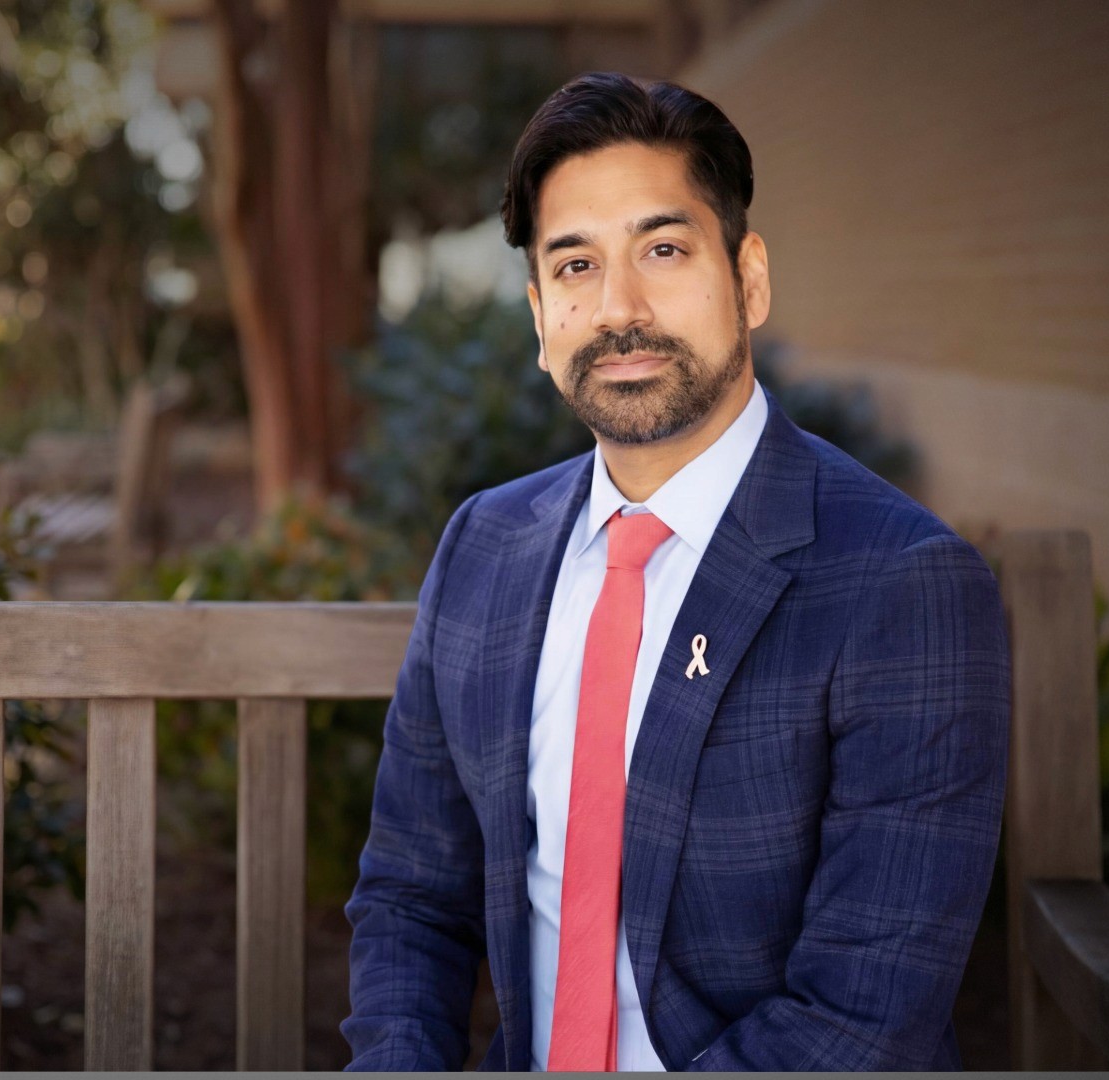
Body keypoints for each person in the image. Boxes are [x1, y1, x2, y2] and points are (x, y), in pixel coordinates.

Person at [342, 71, 1009, 1071]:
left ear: (749, 279)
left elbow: (862, 1019)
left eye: (662, 249)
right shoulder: (485, 546)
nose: (619, 308)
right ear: (538, 316)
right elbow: (409, 897)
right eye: (575, 266)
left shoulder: (902, 586)